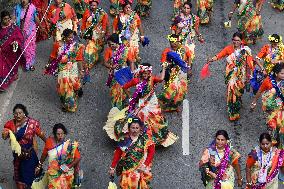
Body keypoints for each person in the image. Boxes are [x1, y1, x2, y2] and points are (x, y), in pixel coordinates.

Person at [207, 32, 254, 124]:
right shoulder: (228, 49)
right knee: (231, 92)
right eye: (234, 40)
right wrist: (211, 59)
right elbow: (219, 55)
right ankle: (233, 113)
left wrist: (249, 76)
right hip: (232, 76)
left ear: (241, 41)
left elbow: (249, 64)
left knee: (239, 92)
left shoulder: (246, 50)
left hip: (242, 76)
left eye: (238, 40)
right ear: (232, 40)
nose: (236, 42)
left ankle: (238, 100)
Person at [2, 104, 46, 189]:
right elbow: (4, 137)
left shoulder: (32, 123)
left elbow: (40, 134)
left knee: (29, 171)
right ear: (13, 114)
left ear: (24, 113)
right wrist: (4, 134)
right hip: (18, 154)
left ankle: (30, 185)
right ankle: (21, 184)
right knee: (19, 170)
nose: (18, 115)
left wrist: (48, 143)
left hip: (29, 154)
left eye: (20, 113)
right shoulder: (10, 124)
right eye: (16, 113)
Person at [108, 117, 155, 189]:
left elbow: (151, 152)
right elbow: (118, 153)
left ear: (140, 128)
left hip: (140, 168)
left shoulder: (146, 139)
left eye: (137, 128)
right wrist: (112, 167)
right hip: (127, 168)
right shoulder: (123, 140)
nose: (135, 130)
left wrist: (145, 165)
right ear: (129, 128)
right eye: (133, 128)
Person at [47, 29, 85, 112]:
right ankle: (67, 104)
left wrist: (81, 70)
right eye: (69, 37)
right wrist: (48, 64)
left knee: (73, 83)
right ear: (64, 37)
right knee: (64, 85)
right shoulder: (58, 45)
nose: (71, 39)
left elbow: (79, 59)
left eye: (72, 37)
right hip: (62, 67)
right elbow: (53, 56)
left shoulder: (76, 46)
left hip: (73, 67)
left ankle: (77, 89)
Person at [35, 123, 81, 188]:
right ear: (54, 134)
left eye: (62, 134)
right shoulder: (49, 142)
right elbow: (44, 155)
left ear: (64, 134)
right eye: (58, 134)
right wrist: (39, 166)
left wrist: (68, 166)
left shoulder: (69, 146)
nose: (60, 136)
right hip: (53, 173)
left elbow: (78, 158)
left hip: (66, 174)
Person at [251, 63, 284, 148]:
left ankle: (280, 145)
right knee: (272, 126)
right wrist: (254, 102)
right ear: (276, 73)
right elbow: (260, 91)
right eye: (282, 73)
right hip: (270, 109)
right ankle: (271, 146)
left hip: (281, 108)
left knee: (281, 127)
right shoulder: (268, 81)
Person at [158, 34, 191, 112]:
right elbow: (163, 61)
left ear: (179, 41)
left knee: (181, 90)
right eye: (172, 41)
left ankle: (174, 106)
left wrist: (189, 68)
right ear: (169, 42)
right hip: (171, 73)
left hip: (182, 73)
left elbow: (189, 57)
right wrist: (167, 64)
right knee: (170, 90)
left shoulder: (184, 49)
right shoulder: (167, 51)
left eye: (176, 41)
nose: (174, 43)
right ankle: (161, 104)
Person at [103, 33, 135, 110]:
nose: (110, 46)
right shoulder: (108, 51)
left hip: (124, 74)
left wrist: (132, 73)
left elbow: (131, 62)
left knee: (124, 91)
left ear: (117, 42)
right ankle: (116, 110)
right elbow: (105, 63)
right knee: (115, 93)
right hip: (114, 75)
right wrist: (111, 66)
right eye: (109, 45)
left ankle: (123, 108)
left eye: (112, 44)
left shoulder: (126, 50)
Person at [171, 1, 204, 65]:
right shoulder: (178, 17)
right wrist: (173, 37)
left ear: (191, 9)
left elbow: (196, 28)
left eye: (188, 8)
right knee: (179, 55)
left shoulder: (195, 18)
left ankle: (188, 67)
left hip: (189, 39)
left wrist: (199, 36)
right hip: (179, 39)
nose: (186, 10)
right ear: (182, 8)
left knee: (189, 54)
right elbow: (173, 27)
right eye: (185, 8)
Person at [14, 0, 43, 71]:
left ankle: (30, 63)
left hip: (31, 31)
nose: (23, 1)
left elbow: (35, 18)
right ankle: (26, 62)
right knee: (24, 49)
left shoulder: (32, 8)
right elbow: (14, 19)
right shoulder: (17, 8)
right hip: (21, 32)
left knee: (31, 47)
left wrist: (41, 26)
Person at [0, 10, 25, 92]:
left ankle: (4, 83)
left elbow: (20, 38)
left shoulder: (14, 28)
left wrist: (16, 42)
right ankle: (2, 85)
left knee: (9, 68)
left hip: (11, 52)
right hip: (1, 52)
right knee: (1, 68)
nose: (7, 21)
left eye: (8, 19)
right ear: (1, 19)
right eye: (4, 19)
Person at [81, 0, 109, 69]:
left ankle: (95, 57)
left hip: (98, 33)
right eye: (91, 5)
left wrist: (103, 33)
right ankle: (89, 63)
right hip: (89, 33)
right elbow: (83, 23)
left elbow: (104, 25)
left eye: (94, 5)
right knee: (89, 47)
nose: (93, 7)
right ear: (89, 5)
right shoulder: (86, 12)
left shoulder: (102, 13)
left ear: (97, 6)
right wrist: (83, 31)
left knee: (97, 47)